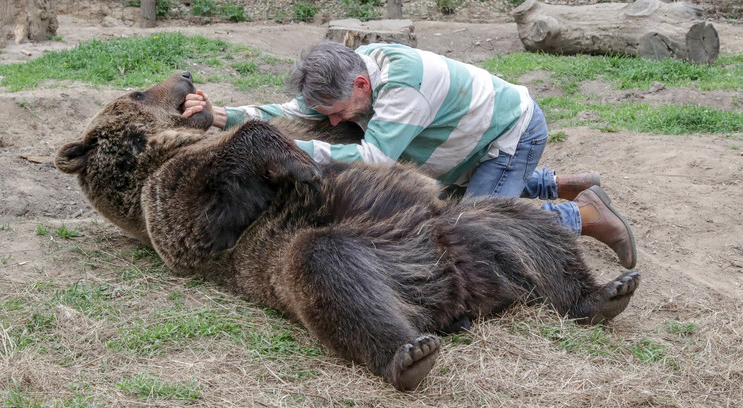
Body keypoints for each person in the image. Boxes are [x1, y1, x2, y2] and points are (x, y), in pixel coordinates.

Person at [182, 41, 636, 269]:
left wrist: (283, 149)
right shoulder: (347, 69)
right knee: (455, 193)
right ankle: (552, 182)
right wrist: (224, 115)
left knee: (476, 229)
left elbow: (376, 159)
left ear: (361, 86)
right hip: (462, 145)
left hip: (508, 135)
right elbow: (293, 112)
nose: (334, 123)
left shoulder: (407, 89)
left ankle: (585, 215)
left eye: (339, 114)